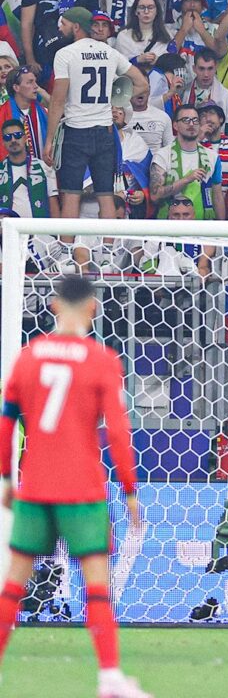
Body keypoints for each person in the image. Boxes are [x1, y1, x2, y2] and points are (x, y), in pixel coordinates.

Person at [0, 274, 149, 698]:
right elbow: (118, 433)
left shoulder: (28, 356)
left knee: (13, 583)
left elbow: (6, 422)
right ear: (93, 308)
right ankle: (110, 679)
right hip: (83, 489)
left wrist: (8, 478)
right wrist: (130, 490)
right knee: (97, 584)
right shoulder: (101, 359)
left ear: (51, 305)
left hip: (35, 485)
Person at [44, 6, 147, 222]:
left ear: (76, 26)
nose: (60, 29)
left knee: (71, 195)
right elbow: (141, 83)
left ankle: (67, 249)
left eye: (63, 24)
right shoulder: (109, 52)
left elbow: (58, 100)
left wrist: (49, 140)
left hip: (76, 131)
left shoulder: (65, 54)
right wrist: (113, 100)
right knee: (106, 195)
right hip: (104, 132)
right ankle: (107, 249)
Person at [149, 103, 225, 221]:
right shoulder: (162, 155)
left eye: (195, 120)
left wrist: (222, 231)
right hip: (169, 229)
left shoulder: (212, 157)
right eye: (186, 120)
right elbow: (155, 195)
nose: (191, 124)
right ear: (175, 125)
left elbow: (217, 197)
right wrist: (187, 179)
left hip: (202, 229)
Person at [0, 117, 59, 217]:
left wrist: (57, 231)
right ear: (3, 142)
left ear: (25, 138)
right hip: (9, 231)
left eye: (18, 135)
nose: (13, 140)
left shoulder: (44, 167)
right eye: (8, 137)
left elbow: (53, 204)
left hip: (41, 230)